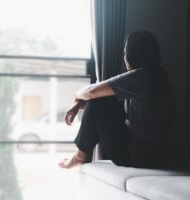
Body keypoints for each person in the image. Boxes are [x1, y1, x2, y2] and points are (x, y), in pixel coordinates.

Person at [58, 31, 176, 169]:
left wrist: (77, 97)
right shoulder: (157, 75)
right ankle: (82, 154)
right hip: (154, 155)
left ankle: (80, 156)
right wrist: (79, 104)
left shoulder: (141, 77)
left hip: (138, 156)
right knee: (106, 97)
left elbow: (90, 92)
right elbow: (97, 93)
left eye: (125, 52)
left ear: (133, 54)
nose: (124, 57)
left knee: (98, 102)